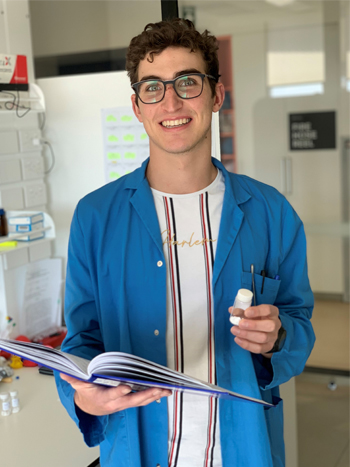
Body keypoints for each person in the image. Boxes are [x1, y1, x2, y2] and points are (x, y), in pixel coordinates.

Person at [55, 18, 315, 467]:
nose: (170, 100)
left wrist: (278, 337)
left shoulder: (272, 213)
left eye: (187, 82)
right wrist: (83, 398)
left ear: (216, 95)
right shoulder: (95, 217)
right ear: (137, 107)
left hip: (243, 450)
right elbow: (81, 341)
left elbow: (299, 329)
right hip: (137, 449)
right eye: (152, 87)